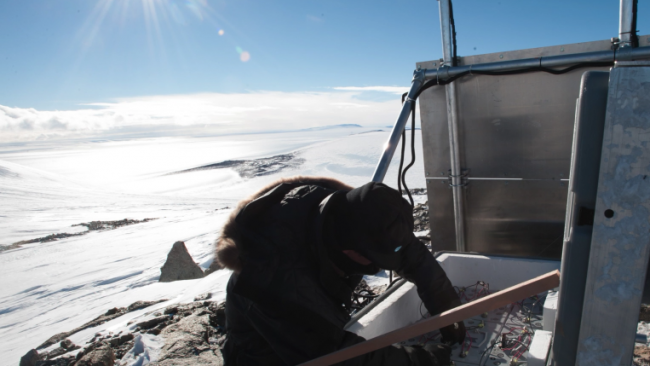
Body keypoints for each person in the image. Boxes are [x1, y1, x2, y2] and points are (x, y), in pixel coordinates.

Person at [215, 176, 465, 366]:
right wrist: (424, 360)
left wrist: (448, 310)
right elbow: (340, 356)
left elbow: (413, 256)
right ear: (344, 248)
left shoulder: (354, 213)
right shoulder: (275, 280)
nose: (376, 268)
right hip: (263, 355)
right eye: (372, 260)